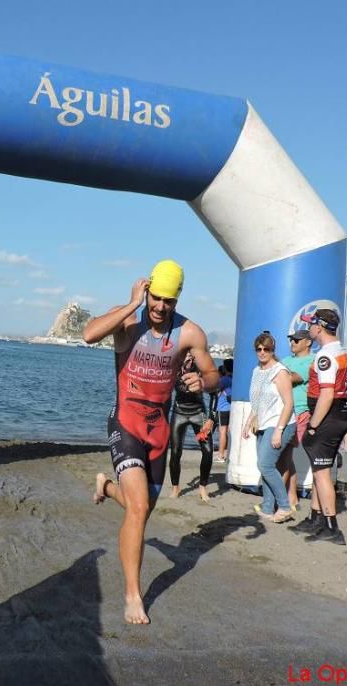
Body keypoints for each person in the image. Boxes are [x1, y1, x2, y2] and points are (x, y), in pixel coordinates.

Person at [85, 260, 218, 624]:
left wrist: (202, 384)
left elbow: (212, 374)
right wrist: (131, 304)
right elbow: (89, 334)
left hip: (158, 430)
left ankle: (106, 486)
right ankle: (132, 595)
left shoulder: (190, 333)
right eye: (155, 298)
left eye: (168, 301)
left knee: (138, 507)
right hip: (125, 421)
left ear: (178, 299)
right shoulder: (127, 321)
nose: (160, 307)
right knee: (139, 509)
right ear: (147, 292)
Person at [289, 308, 347, 545]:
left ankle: (330, 525)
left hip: (327, 417)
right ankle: (316, 518)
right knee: (319, 469)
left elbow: (326, 394)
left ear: (319, 328)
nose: (309, 330)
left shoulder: (325, 356)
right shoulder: (342, 353)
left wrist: (313, 425)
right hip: (339, 416)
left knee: (322, 472)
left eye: (311, 325)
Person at [242, 331, 296, 523]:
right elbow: (257, 401)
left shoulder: (280, 371)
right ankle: (267, 507)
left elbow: (289, 403)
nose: (262, 352)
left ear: (273, 350)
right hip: (262, 423)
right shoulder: (257, 371)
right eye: (259, 349)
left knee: (265, 464)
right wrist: (249, 421)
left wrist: (279, 431)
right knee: (265, 467)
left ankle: (284, 505)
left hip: (281, 423)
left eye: (267, 349)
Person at [168, 351, 217, 502]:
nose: (189, 356)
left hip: (198, 413)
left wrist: (211, 418)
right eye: (186, 353)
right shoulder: (174, 368)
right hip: (179, 411)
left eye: (191, 353)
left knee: (208, 451)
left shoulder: (202, 369)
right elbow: (161, 391)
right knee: (176, 452)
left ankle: (202, 487)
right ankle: (176, 487)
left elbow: (214, 393)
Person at [277, 329, 314, 510]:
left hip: (299, 411)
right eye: (291, 339)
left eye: (297, 340)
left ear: (307, 342)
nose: (292, 342)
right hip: (283, 410)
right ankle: (291, 497)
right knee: (285, 455)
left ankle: (284, 499)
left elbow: (294, 378)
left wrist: (278, 373)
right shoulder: (286, 360)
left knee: (285, 454)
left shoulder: (311, 361)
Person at [215, 359, 233, 462]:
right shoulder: (235, 379)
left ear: (225, 368)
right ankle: (228, 453)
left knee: (222, 432)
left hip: (223, 408)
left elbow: (215, 388)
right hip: (232, 408)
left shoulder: (224, 379)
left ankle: (221, 455)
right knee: (229, 431)